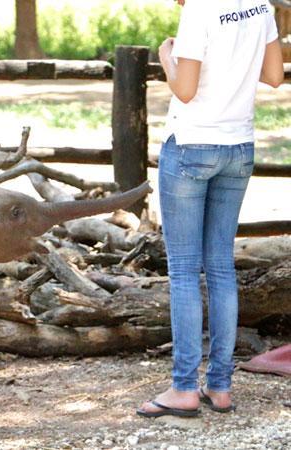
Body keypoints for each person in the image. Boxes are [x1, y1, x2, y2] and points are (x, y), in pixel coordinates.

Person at [137, 0, 284, 418]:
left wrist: (167, 55)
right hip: (239, 147)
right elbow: (274, 76)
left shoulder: (200, 10)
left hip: (192, 146)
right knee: (220, 266)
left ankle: (184, 387)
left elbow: (184, 89)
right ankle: (219, 386)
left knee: (184, 270)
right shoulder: (262, 6)